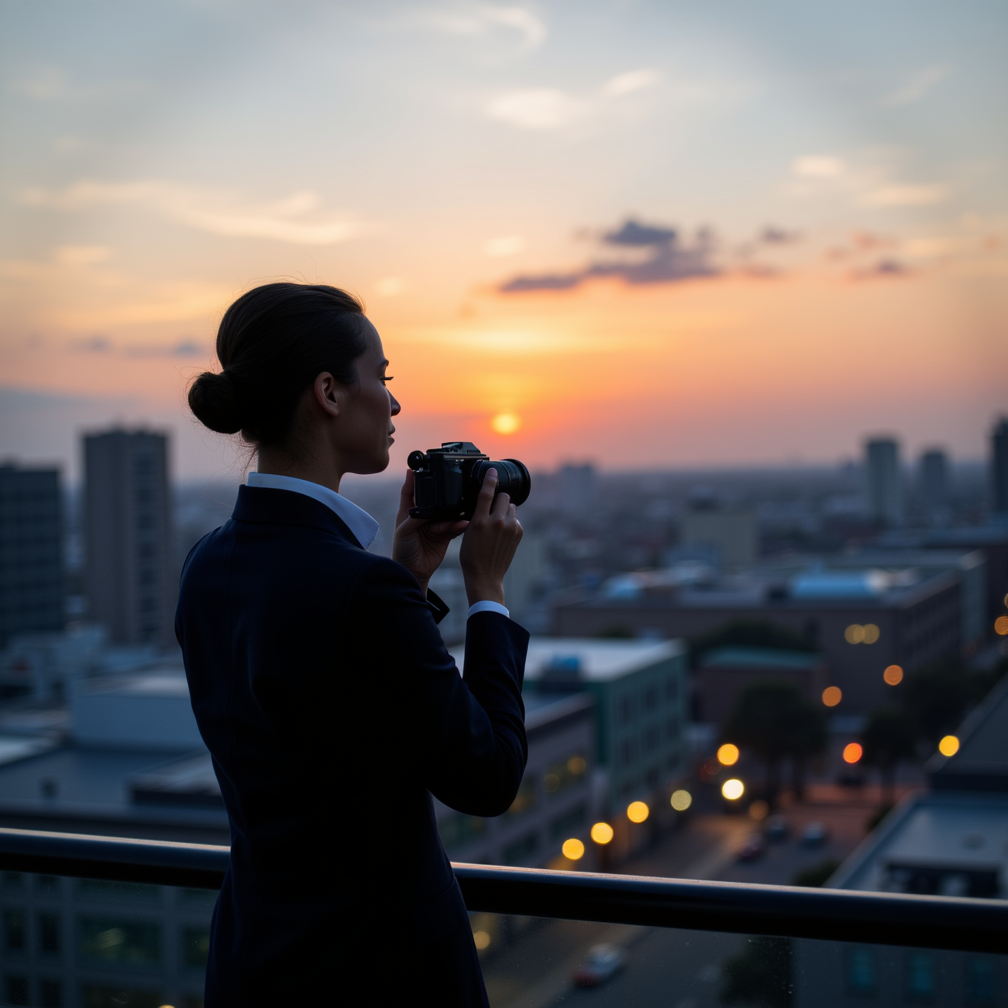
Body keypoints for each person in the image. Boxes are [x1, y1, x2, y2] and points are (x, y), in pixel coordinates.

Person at [176, 282, 528, 1007]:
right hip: (381, 974)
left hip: (256, 965)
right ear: (330, 392)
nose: (395, 406)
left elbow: (329, 718)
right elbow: (487, 775)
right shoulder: (360, 590)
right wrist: (486, 595)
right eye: (384, 377)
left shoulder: (207, 564)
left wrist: (406, 581)